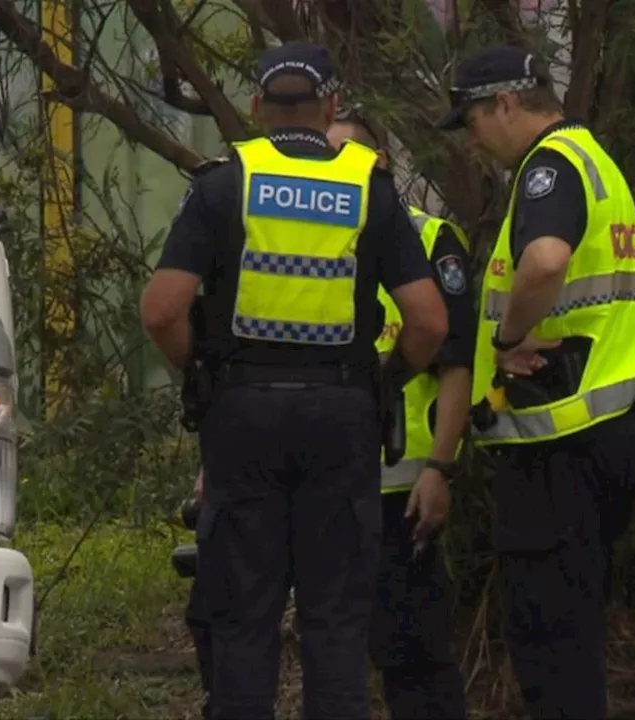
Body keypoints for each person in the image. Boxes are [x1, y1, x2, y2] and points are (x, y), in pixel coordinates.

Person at [140, 40, 448, 720]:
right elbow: (428, 321)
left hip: (242, 416)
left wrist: (198, 368)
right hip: (342, 416)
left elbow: (161, 309)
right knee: (335, 622)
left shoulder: (225, 185)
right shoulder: (369, 188)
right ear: (331, 105)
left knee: (243, 617)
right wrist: (383, 379)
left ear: (254, 107)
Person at [435, 46, 635, 719]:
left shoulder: (551, 168)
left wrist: (509, 340)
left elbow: (544, 260)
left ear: (506, 104)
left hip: (560, 445)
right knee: (577, 629)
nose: (473, 140)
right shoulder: (597, 161)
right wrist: (613, 342)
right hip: (613, 424)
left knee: (549, 640)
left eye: (473, 122)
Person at [328, 105, 473, 720]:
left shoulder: (430, 239)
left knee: (414, 653)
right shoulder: (309, 246)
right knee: (334, 650)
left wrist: (440, 468)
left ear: (380, 164)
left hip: (401, 489)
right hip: (325, 486)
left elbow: (458, 364)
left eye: (343, 157)